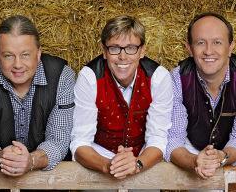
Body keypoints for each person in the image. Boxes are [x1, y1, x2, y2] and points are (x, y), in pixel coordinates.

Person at [166, 12, 236, 192]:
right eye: (200, 42)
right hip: (194, 149)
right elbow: (174, 139)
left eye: (217, 42)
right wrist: (194, 161)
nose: (208, 51)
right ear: (189, 48)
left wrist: (221, 157)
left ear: (231, 47)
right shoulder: (176, 78)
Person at [0, 15, 75, 176]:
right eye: (8, 56)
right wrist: (0, 157)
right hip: (1, 180)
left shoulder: (62, 75)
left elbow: (59, 139)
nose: (17, 64)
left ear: (39, 53)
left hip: (51, 180)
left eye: (25, 54)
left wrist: (31, 160)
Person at [70, 15, 173, 179]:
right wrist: (106, 165)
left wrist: (137, 164)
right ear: (104, 51)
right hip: (100, 155)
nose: (123, 57)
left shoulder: (159, 77)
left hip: (142, 157)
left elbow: (158, 138)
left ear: (142, 51)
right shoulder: (89, 77)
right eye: (114, 48)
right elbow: (80, 141)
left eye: (131, 48)